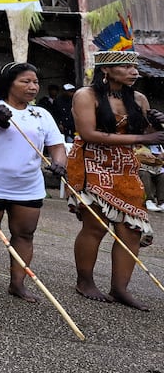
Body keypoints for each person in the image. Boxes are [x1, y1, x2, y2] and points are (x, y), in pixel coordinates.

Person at [68, 50, 164, 310]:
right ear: (106, 70)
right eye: (125, 66)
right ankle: (84, 282)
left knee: (131, 230)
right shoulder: (85, 96)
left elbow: (146, 133)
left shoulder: (139, 98)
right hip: (90, 162)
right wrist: (142, 139)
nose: (133, 71)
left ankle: (120, 289)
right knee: (95, 226)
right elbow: (88, 134)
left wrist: (155, 126)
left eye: (135, 67)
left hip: (125, 165)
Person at [0, 62, 66, 301]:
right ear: (9, 83)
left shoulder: (41, 114)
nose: (32, 87)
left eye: (35, 82)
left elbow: (57, 145)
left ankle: (18, 283)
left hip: (28, 185)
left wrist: (59, 162)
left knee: (25, 234)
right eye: (26, 82)